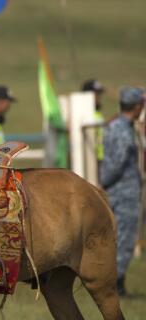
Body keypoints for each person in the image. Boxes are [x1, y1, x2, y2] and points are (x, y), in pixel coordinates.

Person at [100, 86, 144, 297]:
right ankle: (115, 286)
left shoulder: (112, 125)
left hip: (113, 190)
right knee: (124, 239)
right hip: (124, 192)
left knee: (111, 237)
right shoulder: (124, 130)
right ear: (137, 106)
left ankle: (115, 284)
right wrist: (105, 180)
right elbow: (117, 163)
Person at [82, 79, 106, 162]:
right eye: (96, 93)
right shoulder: (83, 113)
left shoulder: (97, 113)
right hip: (90, 159)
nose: (99, 97)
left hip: (100, 158)